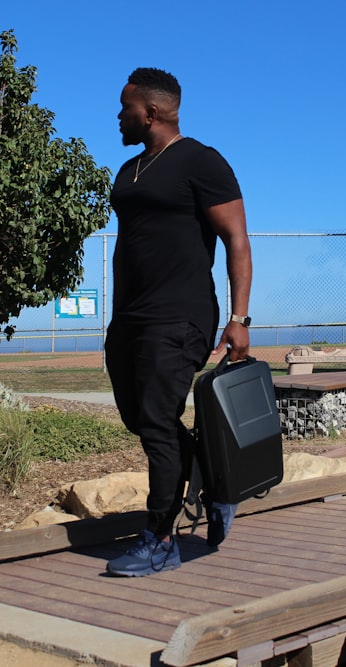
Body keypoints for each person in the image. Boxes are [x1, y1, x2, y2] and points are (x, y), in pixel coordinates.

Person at [104, 67, 253, 577]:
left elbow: (236, 239)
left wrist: (239, 317)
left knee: (157, 423)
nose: (118, 116)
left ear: (151, 112)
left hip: (181, 315)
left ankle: (161, 539)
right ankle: (219, 485)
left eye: (125, 107)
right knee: (144, 421)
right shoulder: (129, 171)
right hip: (130, 317)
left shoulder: (201, 162)